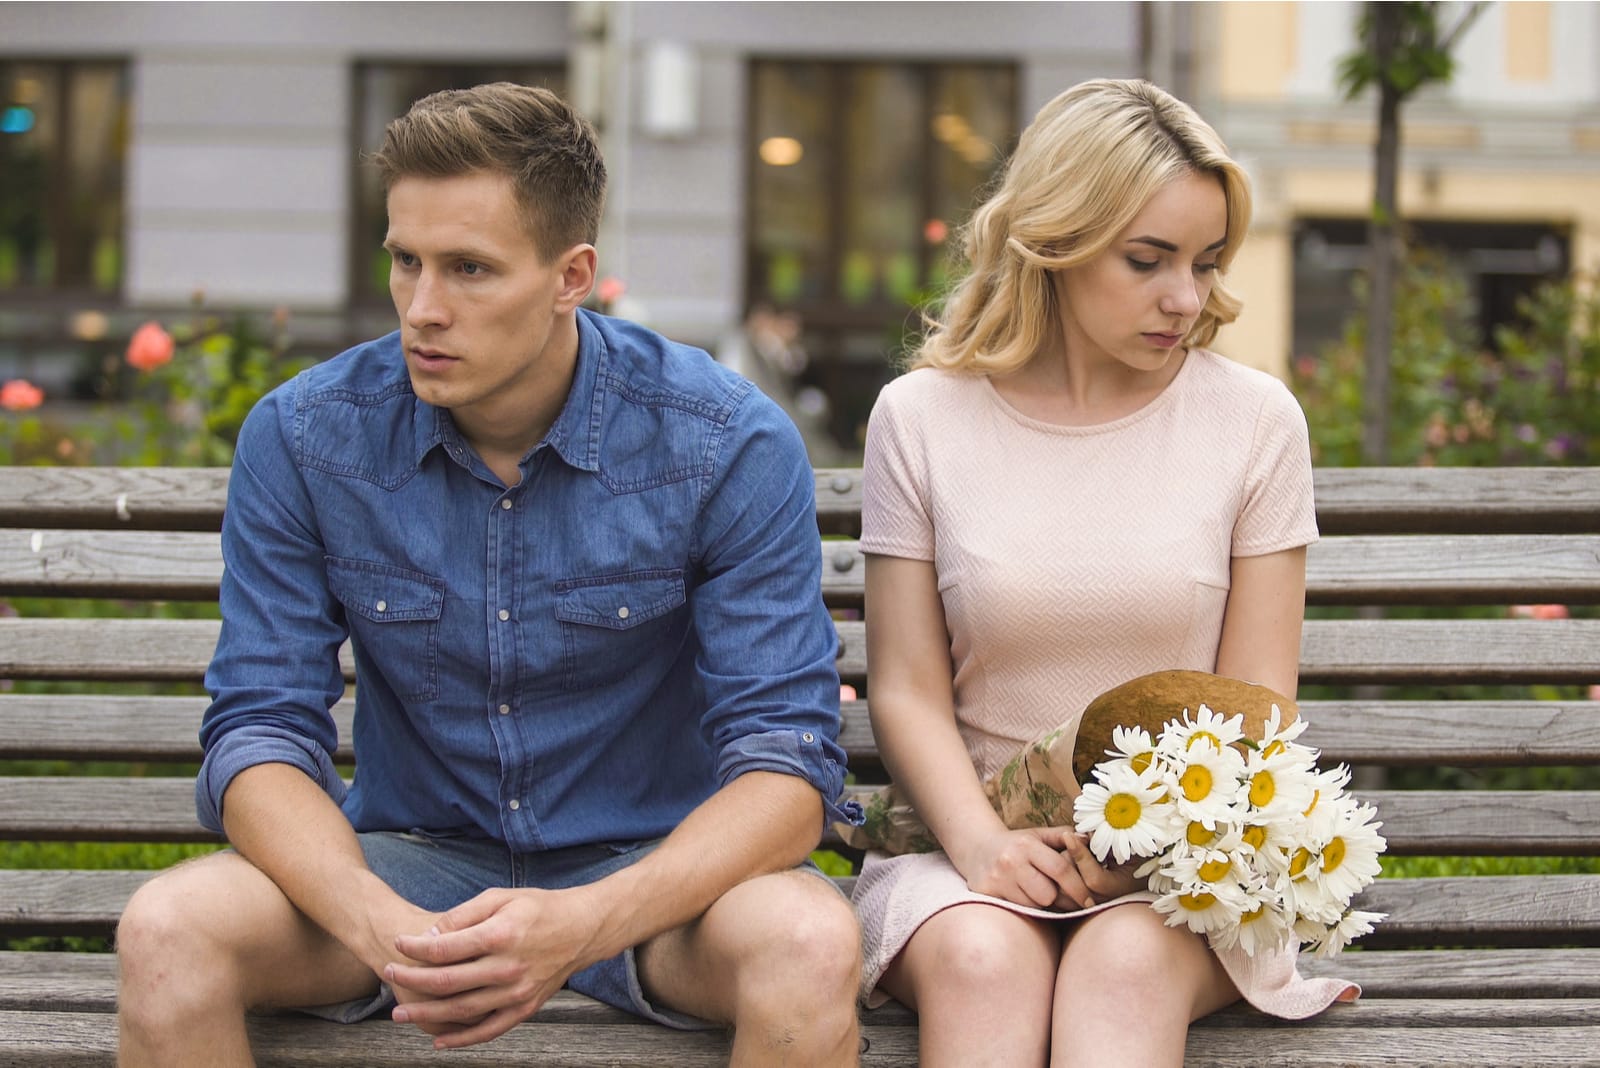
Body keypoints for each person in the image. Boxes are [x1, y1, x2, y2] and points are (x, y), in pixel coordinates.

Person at [115, 83, 863, 1066]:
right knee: (169, 933)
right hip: (411, 867)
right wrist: (379, 924)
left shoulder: (721, 443)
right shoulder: (307, 437)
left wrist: (585, 921)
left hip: (661, 885)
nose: (425, 309)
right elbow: (259, 730)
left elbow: (785, 765)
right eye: (405, 262)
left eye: (470, 269)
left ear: (571, 275)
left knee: (807, 944)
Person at [852, 78, 1359, 1067]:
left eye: (1206, 262)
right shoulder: (920, 421)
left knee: (1120, 965)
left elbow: (1258, 704)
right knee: (982, 962)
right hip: (971, 843)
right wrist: (982, 848)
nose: (1187, 297)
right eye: (1148, 259)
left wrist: (1144, 852)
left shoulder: (1254, 424)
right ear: (1054, 238)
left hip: (1192, 856)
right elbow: (907, 688)